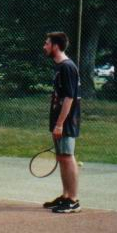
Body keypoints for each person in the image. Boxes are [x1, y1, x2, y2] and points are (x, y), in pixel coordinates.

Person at [41, 31, 82, 213]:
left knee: (67, 157)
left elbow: (69, 98)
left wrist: (60, 124)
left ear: (55, 46)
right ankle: (65, 196)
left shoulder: (67, 67)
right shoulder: (59, 67)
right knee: (62, 158)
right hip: (59, 121)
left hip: (66, 122)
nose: (44, 46)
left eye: (47, 43)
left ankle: (73, 200)